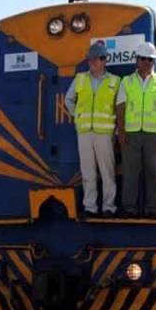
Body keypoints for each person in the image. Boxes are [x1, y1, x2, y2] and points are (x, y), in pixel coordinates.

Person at [116, 42, 156, 218]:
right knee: (130, 172)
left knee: (153, 173)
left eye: (151, 59)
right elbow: (120, 106)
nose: (147, 62)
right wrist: (121, 131)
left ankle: (151, 209)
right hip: (131, 134)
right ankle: (129, 208)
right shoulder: (127, 81)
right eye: (144, 59)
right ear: (137, 61)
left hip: (153, 135)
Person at [65, 42, 120, 217]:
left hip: (105, 134)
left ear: (104, 61)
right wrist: (78, 116)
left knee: (107, 172)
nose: (91, 63)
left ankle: (109, 207)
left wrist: (117, 129)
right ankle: (90, 207)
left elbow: (120, 107)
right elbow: (68, 100)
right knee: (87, 171)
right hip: (85, 133)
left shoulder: (115, 81)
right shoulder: (80, 78)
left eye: (95, 60)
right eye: (90, 60)